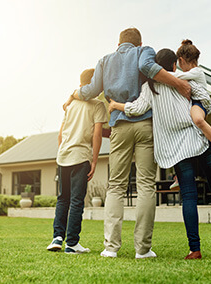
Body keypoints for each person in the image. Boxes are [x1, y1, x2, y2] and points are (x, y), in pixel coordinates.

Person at [64, 28, 191, 259]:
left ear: (119, 43)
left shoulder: (105, 60)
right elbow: (147, 68)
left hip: (119, 127)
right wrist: (179, 84)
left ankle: (110, 248)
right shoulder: (144, 51)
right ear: (139, 42)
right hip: (144, 126)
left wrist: (74, 93)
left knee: (116, 186)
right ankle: (142, 249)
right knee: (145, 186)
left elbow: (92, 90)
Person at [108, 48, 211, 260]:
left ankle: (195, 249)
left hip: (177, 150)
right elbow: (205, 101)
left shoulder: (149, 87)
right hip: (198, 139)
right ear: (174, 65)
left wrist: (115, 105)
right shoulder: (183, 79)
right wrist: (199, 108)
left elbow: (136, 109)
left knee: (189, 196)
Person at [47, 68, 107, 254]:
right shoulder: (97, 105)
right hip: (80, 157)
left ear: (80, 85)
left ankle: (57, 238)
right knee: (76, 201)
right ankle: (72, 243)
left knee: (62, 199)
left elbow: (60, 134)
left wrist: (63, 151)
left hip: (63, 156)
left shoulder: (70, 105)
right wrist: (94, 160)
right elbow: (97, 134)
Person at [176, 39, 211, 165]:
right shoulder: (191, 73)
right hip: (192, 104)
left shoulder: (197, 71)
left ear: (181, 61)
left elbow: (177, 77)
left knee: (198, 120)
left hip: (200, 103)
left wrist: (159, 73)